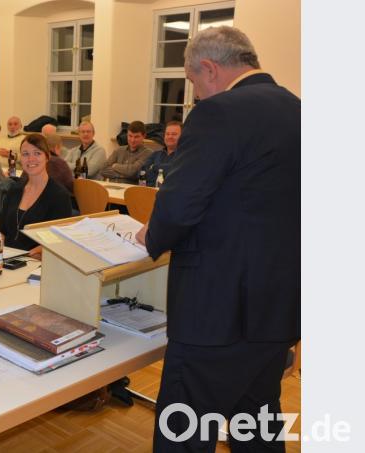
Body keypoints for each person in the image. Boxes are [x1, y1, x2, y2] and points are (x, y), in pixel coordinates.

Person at [135, 26, 300, 452]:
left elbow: (178, 206)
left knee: (184, 433)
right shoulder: (299, 110)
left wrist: (150, 235)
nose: (196, 96)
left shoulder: (219, 113)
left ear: (209, 68)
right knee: (257, 424)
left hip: (216, 312)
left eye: (193, 83)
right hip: (278, 308)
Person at [0, 134, 71, 256]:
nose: (31, 159)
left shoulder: (59, 196)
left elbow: (58, 241)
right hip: (7, 258)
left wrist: (26, 256)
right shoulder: (14, 190)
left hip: (36, 263)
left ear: (47, 157)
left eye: (37, 153)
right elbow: (1, 229)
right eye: (25, 154)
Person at [140, 120, 182, 186]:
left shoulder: (185, 156)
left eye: (174, 134)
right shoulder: (155, 154)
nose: (170, 137)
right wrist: (165, 172)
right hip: (149, 192)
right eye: (167, 134)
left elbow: (177, 176)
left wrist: (154, 167)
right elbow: (141, 173)